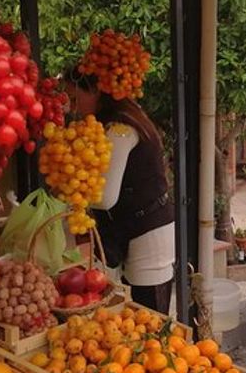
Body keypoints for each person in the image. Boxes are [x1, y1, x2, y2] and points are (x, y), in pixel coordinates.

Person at [66, 67, 174, 314]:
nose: (72, 108)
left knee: (150, 316)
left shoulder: (120, 130)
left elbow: (104, 198)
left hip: (148, 233)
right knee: (133, 314)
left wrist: (68, 189)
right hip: (133, 227)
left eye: (75, 99)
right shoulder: (119, 122)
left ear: (95, 91)